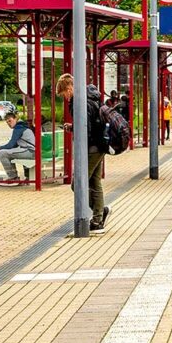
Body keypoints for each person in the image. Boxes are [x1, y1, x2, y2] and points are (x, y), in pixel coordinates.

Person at [57, 73, 109, 233]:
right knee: (94, 182)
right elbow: (89, 124)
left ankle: (98, 213)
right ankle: (99, 218)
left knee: (77, 184)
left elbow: (86, 129)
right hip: (100, 145)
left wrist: (76, 133)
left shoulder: (80, 102)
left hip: (92, 148)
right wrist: (74, 127)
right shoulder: (91, 98)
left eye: (65, 93)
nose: (65, 97)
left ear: (70, 87)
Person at [0, 109, 36, 182]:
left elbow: (11, 145)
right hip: (32, 151)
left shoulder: (18, 128)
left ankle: (13, 177)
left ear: (15, 119)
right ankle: (23, 177)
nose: (8, 123)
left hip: (31, 152)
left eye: (10, 121)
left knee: (3, 154)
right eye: (7, 122)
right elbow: (14, 145)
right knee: (5, 152)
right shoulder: (22, 126)